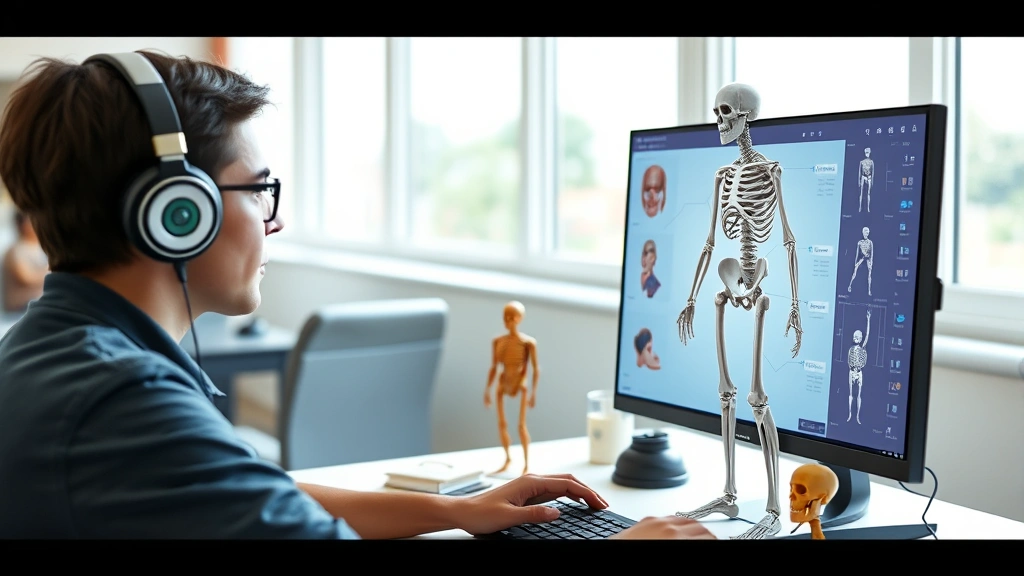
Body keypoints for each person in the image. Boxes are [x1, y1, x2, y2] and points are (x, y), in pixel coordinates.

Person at [0, 49, 715, 540]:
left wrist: (454, 510)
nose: (276, 219)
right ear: (177, 211)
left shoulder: (65, 348)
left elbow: (261, 499)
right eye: (260, 191)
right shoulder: (120, 401)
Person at [2, 210, 48, 312]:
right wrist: (51, 271)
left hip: (39, 301)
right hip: (21, 307)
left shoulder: (41, 247)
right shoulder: (16, 250)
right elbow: (26, 278)